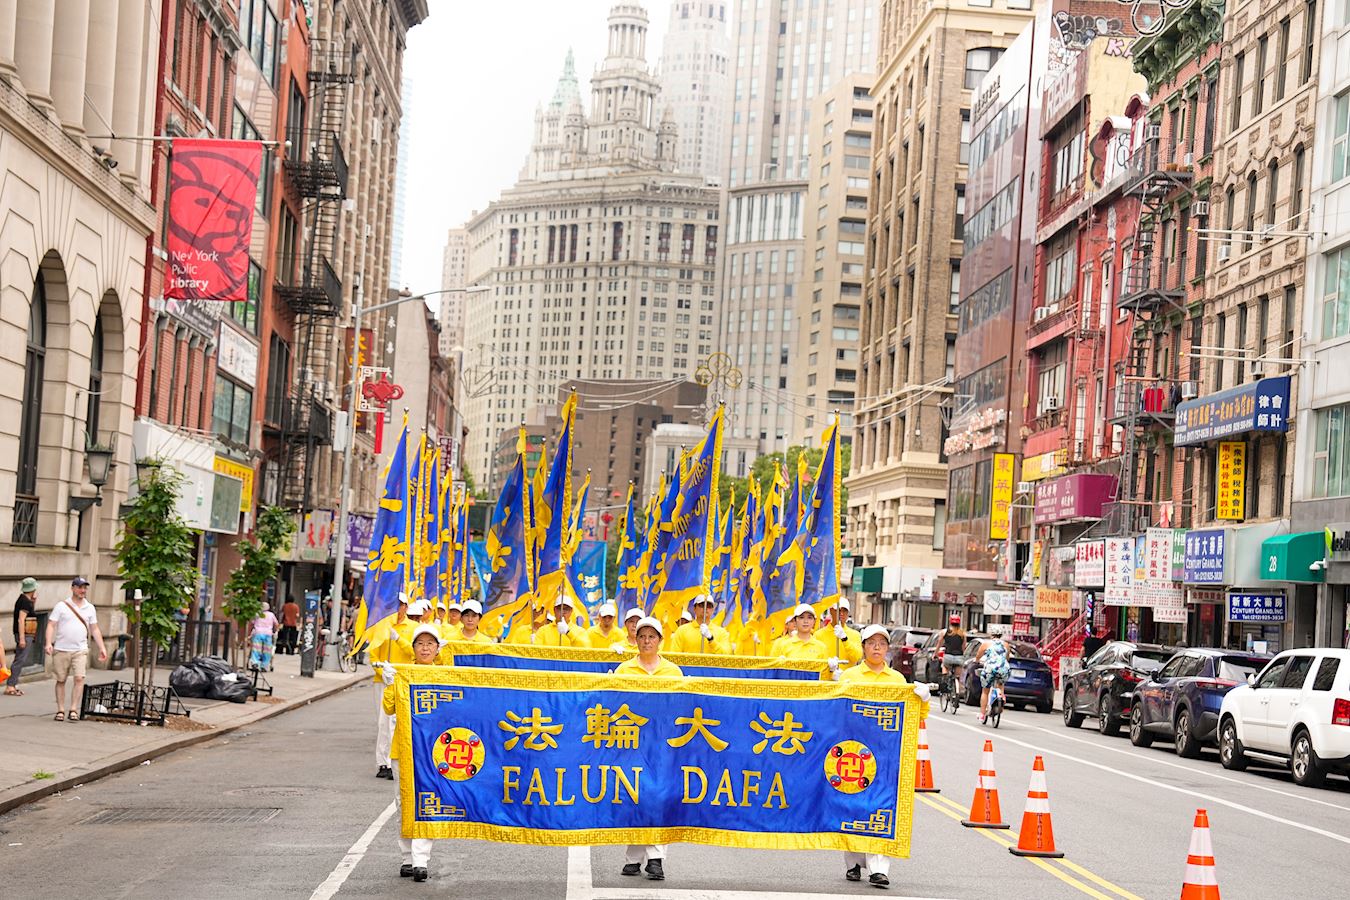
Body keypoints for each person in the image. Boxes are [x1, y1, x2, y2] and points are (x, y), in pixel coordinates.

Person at [840, 625, 930, 887]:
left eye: (882, 643)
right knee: (853, 806)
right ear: (863, 647)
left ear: (887, 648)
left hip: (885, 754)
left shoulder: (897, 681)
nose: (877, 647)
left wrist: (923, 700)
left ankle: (879, 868)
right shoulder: (849, 676)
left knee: (879, 807)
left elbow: (916, 717)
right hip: (852, 753)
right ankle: (854, 861)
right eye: (871, 643)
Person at [614, 616, 681, 880]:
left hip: (663, 745)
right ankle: (633, 857)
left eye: (651, 636)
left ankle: (655, 860)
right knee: (637, 796)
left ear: (660, 641)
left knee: (658, 797)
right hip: (632, 743)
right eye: (642, 636)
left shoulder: (673, 672)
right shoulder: (624, 670)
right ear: (635, 639)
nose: (646, 641)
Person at [378, 624, 444, 883]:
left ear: (437, 649)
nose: (425, 648)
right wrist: (390, 683)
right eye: (420, 643)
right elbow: (389, 708)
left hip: (434, 751)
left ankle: (421, 859)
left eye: (430, 643)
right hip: (403, 747)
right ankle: (407, 856)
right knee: (403, 802)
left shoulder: (445, 676)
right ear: (413, 648)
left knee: (428, 801)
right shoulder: (402, 674)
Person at [44, 577, 106, 722]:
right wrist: (48, 643)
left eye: (85, 588)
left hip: (80, 649)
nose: (83, 590)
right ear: (72, 588)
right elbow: (51, 625)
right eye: (79, 587)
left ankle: (73, 709)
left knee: (79, 678)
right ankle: (60, 710)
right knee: (61, 680)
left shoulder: (90, 607)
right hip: (61, 649)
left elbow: (94, 629)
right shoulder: (61, 606)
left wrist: (102, 647)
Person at [778, 604, 841, 678]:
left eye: (810, 618)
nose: (805, 621)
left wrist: (831, 671)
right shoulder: (784, 646)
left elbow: (824, 679)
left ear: (814, 621)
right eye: (801, 617)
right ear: (795, 621)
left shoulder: (821, 648)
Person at [6, 577, 39, 696]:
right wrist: (22, 638)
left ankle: (13, 684)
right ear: (33, 588)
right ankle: (10, 686)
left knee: (20, 658)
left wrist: (33, 601)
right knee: (20, 659)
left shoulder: (25, 600)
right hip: (25, 634)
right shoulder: (24, 601)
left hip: (26, 634)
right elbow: (21, 620)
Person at [818, 598, 862, 668]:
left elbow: (857, 657)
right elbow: (817, 660)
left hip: (848, 677)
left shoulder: (855, 635)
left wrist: (845, 639)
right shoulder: (819, 635)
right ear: (831, 610)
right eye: (838, 610)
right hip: (825, 678)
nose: (841, 614)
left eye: (845, 611)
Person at [977, 636, 1011, 724]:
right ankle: (1002, 697)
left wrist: (977, 660)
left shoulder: (986, 644)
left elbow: (978, 656)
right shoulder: (1006, 644)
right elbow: (1007, 658)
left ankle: (982, 714)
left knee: (985, 691)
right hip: (1004, 668)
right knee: (1001, 685)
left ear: (992, 635)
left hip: (990, 668)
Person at [248, 603, 280, 671]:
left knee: (256, 649)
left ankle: (255, 663)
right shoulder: (271, 615)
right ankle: (264, 665)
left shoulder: (257, 614)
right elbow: (276, 624)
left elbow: (252, 623)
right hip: (268, 634)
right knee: (267, 650)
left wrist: (250, 632)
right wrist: (274, 631)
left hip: (258, 633)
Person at [938, 613, 967, 688]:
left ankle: (945, 682)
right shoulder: (963, 633)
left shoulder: (944, 632)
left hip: (948, 656)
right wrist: (963, 655)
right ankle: (957, 689)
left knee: (944, 666)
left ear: (950, 622)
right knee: (958, 676)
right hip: (959, 657)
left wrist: (935, 654)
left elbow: (939, 644)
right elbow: (964, 647)